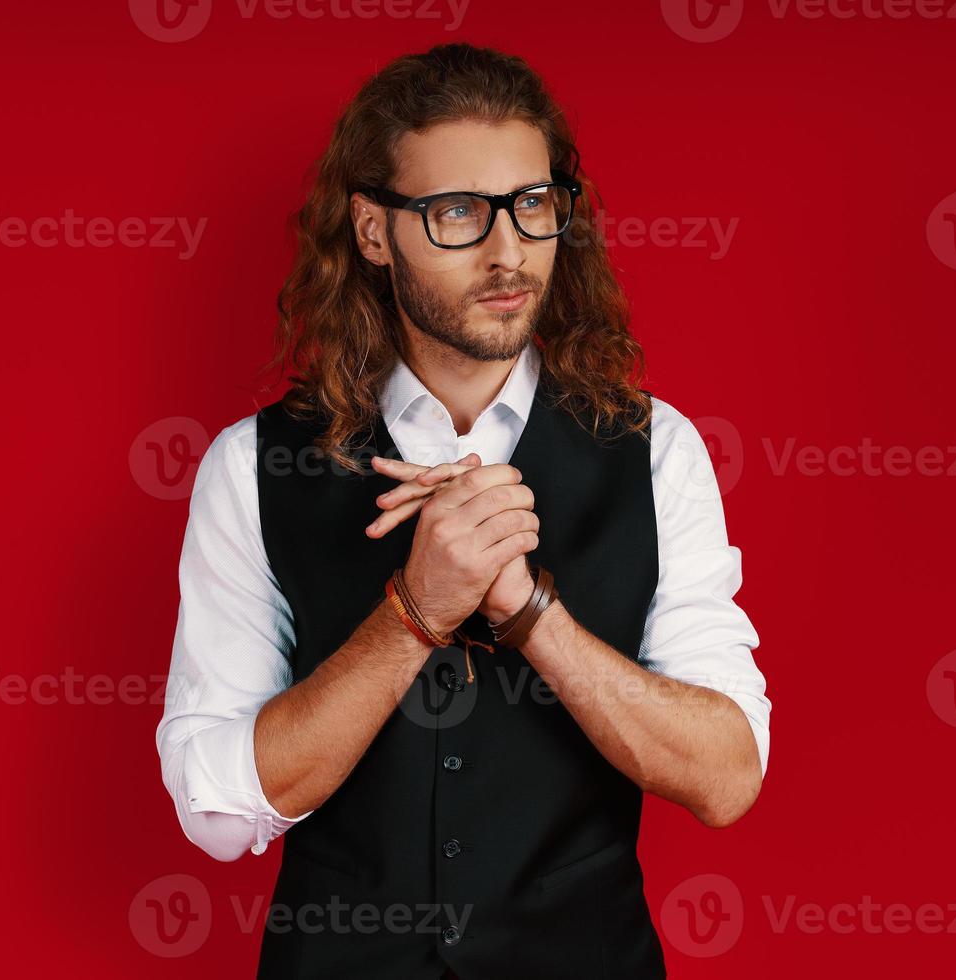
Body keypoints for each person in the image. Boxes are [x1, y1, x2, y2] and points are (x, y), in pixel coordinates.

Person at [156, 42, 771, 980]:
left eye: (531, 205)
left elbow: (726, 777)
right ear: (373, 231)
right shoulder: (253, 467)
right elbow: (218, 809)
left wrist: (527, 611)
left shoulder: (656, 452)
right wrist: (415, 612)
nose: (507, 250)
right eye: (455, 213)